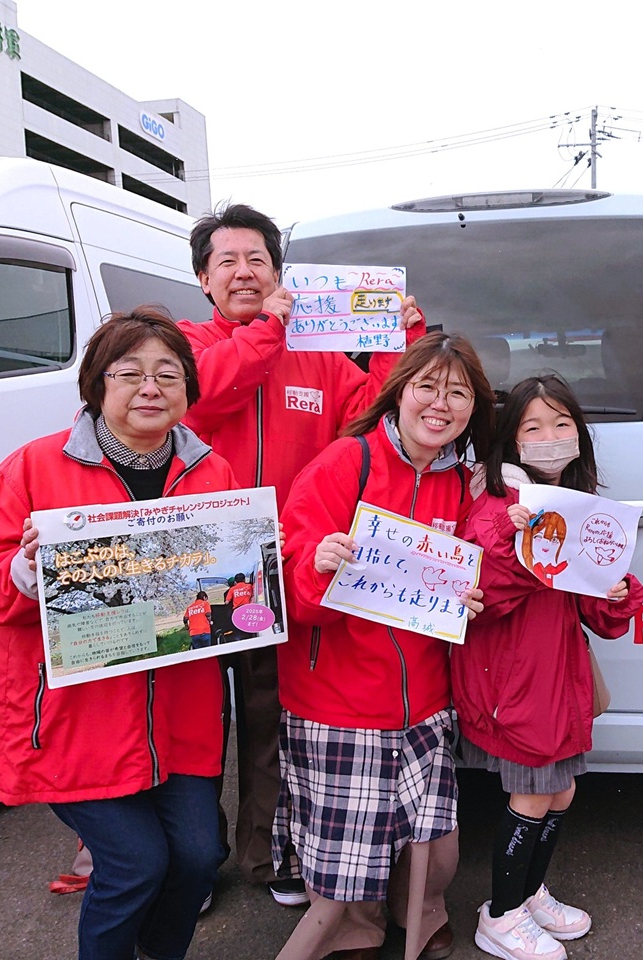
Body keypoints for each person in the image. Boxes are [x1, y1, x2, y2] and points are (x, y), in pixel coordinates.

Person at [0, 308, 237, 960]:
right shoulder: (36, 467)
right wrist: (19, 571)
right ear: (97, 384)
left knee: (198, 856)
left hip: (181, 716)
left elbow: (241, 582)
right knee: (134, 865)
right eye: (130, 374)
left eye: (168, 374)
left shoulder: (213, 473)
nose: (150, 388)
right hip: (74, 721)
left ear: (189, 388)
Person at [177, 202, 427, 906]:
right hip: (194, 565)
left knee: (267, 716)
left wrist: (400, 337)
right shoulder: (188, 342)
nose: (244, 272)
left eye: (258, 259)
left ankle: (268, 856)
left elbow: (382, 406)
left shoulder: (317, 355)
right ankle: (192, 867)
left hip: (279, 568)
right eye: (226, 261)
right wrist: (269, 330)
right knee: (190, 722)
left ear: (281, 273)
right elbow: (205, 394)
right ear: (202, 278)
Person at [274, 332, 494, 960]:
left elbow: (475, 577)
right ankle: (350, 929)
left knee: (431, 836)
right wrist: (317, 564)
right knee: (346, 846)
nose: (440, 404)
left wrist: (474, 602)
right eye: (427, 386)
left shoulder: (465, 483)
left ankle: (420, 914)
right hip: (336, 698)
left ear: (474, 407)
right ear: (397, 392)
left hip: (426, 697)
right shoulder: (349, 461)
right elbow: (292, 580)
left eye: (457, 393)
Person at [451, 374, 643, 960]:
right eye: (532, 427)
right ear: (510, 441)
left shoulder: (578, 507)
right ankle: (502, 915)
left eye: (561, 424)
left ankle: (529, 892)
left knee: (560, 794)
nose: (549, 438)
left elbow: (597, 613)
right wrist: (517, 549)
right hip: (513, 682)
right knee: (534, 796)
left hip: (558, 677)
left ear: (580, 436)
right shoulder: (493, 509)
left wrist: (617, 594)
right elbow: (472, 604)